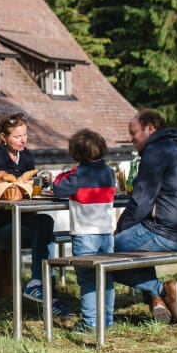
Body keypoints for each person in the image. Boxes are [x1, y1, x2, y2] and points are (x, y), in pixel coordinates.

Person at [0, 111, 74, 318]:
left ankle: (40, 286)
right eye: (17, 136)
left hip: (22, 223)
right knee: (44, 230)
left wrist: (41, 186)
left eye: (25, 135)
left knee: (45, 224)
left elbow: (30, 188)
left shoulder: (26, 157)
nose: (23, 140)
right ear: (3, 137)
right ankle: (43, 289)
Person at [113, 109, 177, 325]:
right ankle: (157, 300)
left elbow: (141, 202)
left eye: (133, 132)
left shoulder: (155, 152)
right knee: (133, 244)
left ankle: (161, 289)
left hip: (169, 233)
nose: (131, 138)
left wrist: (120, 229)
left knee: (100, 254)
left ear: (150, 128)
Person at [51, 128, 117, 333]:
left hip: (85, 234)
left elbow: (58, 188)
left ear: (76, 153)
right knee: (106, 278)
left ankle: (90, 322)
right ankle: (107, 320)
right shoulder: (109, 173)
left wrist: (65, 173)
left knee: (88, 279)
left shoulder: (77, 175)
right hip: (106, 233)